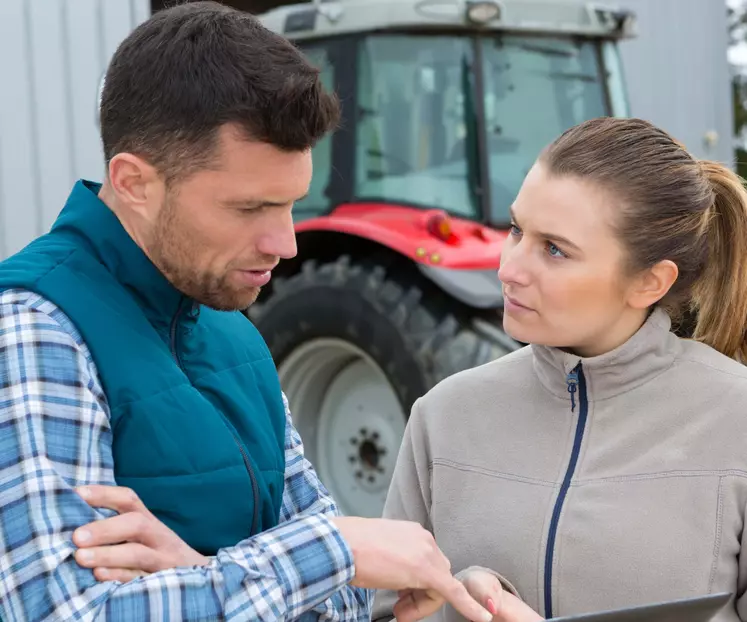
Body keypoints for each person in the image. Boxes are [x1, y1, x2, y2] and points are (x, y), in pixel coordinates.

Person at [0, 3, 493, 622]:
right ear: (133, 182)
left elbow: (337, 598)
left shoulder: (234, 333)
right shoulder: (34, 332)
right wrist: (331, 549)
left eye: (290, 204)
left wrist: (200, 574)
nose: (285, 244)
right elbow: (63, 614)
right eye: (248, 208)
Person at [372, 116, 747, 622]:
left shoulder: (736, 421)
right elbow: (384, 613)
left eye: (554, 249)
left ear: (650, 283)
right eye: (515, 230)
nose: (508, 268)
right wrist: (454, 605)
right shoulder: (444, 415)